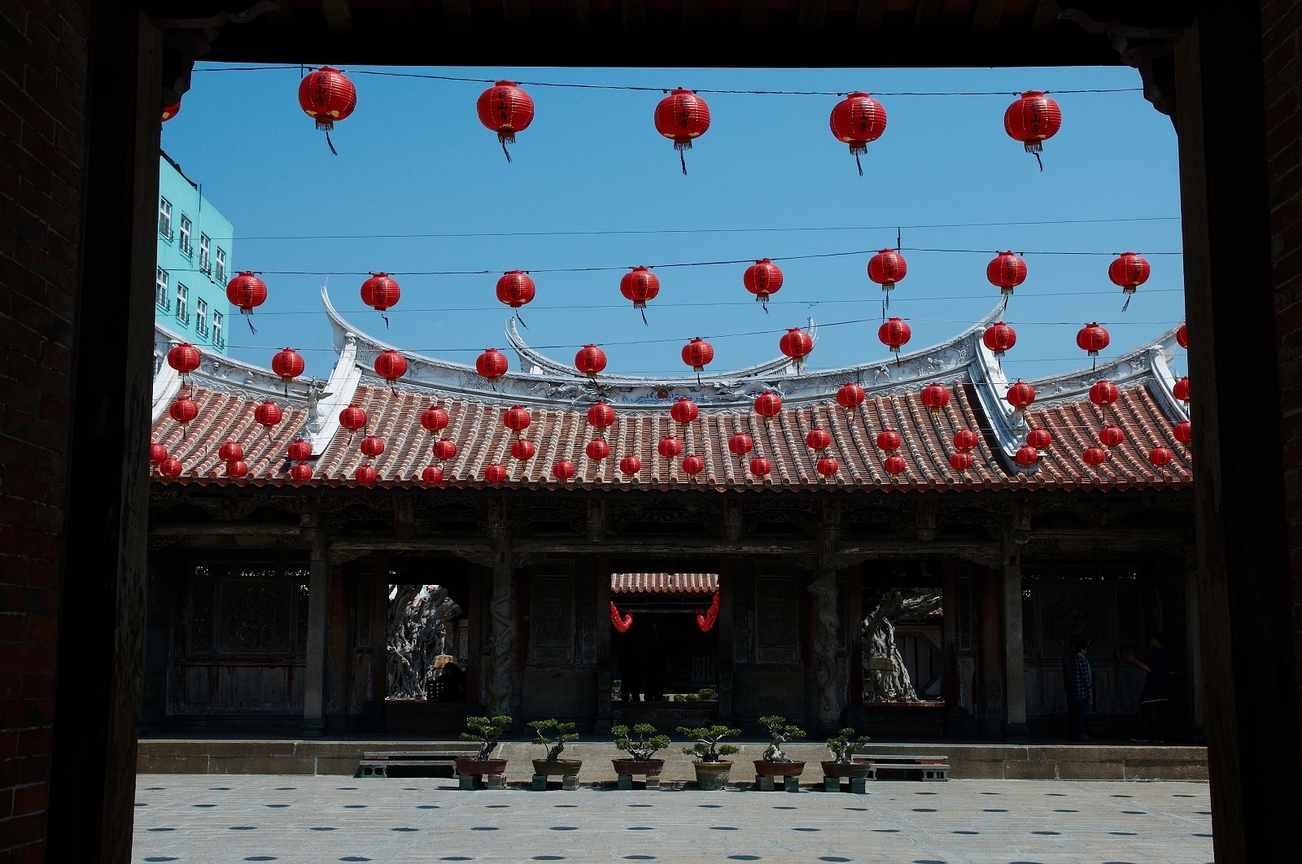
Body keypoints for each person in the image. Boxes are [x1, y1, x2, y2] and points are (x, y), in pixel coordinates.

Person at [1127, 631, 1174, 742]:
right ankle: (1164, 736)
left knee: (1145, 707)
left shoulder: (1152, 653)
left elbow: (1149, 668)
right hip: (1163, 685)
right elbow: (1171, 672)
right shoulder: (1167, 653)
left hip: (1153, 684)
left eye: (1152, 639)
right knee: (1162, 711)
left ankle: (1144, 734)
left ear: (1156, 640)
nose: (1151, 641)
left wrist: (1135, 661)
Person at [1064, 636, 1094, 741]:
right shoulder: (1081, 659)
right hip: (1081, 691)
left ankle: (1078, 732)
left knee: (1077, 713)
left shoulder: (1074, 659)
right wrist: (1089, 689)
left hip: (1075, 690)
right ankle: (1082, 733)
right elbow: (1085, 676)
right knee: (1081, 713)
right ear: (1083, 649)